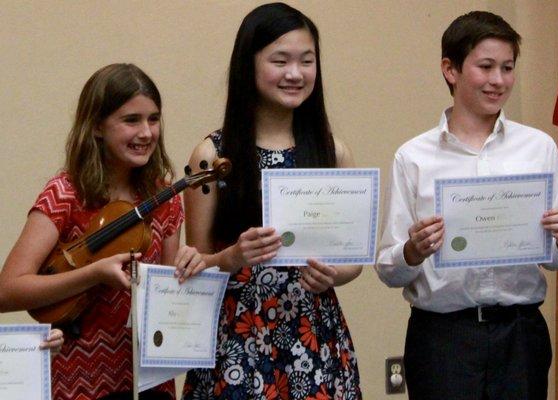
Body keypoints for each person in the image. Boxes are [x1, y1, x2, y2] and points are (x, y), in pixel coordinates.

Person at [376, 11, 558, 400]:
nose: (498, 80)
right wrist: (413, 251)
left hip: (520, 335)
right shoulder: (413, 157)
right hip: (443, 338)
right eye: (486, 67)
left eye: (507, 67)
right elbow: (388, 269)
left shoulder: (538, 148)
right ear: (450, 70)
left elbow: (555, 259)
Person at [179, 3, 362, 399]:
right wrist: (231, 257)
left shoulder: (334, 153)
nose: (295, 73)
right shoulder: (212, 155)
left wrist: (334, 275)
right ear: (249, 65)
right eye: (280, 60)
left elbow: (351, 262)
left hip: (316, 337)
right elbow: (193, 264)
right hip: (238, 340)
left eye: (306, 61)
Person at [0, 63, 204, 400]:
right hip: (79, 381)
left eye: (153, 119)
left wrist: (193, 265)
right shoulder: (66, 193)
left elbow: (167, 294)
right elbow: (7, 290)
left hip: (146, 382)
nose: (146, 133)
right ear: (96, 126)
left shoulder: (163, 195)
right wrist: (93, 274)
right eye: (131, 120)